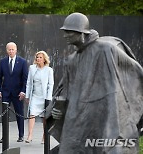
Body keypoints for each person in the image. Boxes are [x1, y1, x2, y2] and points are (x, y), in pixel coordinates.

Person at [48, 13, 143, 154]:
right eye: (65, 32)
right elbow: (66, 92)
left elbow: (134, 73)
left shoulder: (106, 49)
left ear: (81, 32)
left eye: (69, 32)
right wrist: (57, 109)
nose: (65, 35)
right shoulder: (71, 60)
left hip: (105, 114)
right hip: (77, 119)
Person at [0, 42, 28, 142]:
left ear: (16, 50)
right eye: (9, 49)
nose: (11, 51)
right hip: (5, 92)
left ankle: (21, 135)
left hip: (18, 93)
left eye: (12, 49)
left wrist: (23, 91)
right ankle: (4, 136)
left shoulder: (22, 62)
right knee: (5, 116)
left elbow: (25, 78)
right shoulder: (3, 62)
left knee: (19, 114)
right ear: (6, 50)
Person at [25, 51, 54, 143]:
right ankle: (29, 136)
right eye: (37, 57)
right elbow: (29, 83)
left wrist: (48, 98)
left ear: (44, 59)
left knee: (44, 117)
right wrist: (27, 95)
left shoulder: (49, 70)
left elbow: (51, 84)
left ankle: (44, 136)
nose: (38, 59)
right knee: (32, 114)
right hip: (34, 96)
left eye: (40, 57)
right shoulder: (32, 68)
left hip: (44, 97)